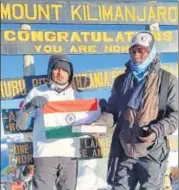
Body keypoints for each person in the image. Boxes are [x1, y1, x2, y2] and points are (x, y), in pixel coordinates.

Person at [16, 54, 113, 190]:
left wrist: (100, 111)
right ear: (50, 71)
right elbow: (21, 125)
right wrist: (28, 107)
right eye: (56, 69)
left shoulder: (76, 96)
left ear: (70, 74)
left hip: (70, 155)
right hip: (45, 154)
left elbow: (87, 124)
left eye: (65, 70)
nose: (60, 73)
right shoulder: (37, 92)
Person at [106, 31, 178, 190]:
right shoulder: (121, 81)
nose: (136, 55)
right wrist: (100, 124)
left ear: (151, 52)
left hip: (152, 154)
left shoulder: (168, 80)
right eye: (133, 51)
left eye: (141, 51)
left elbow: (175, 116)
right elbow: (111, 112)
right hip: (124, 152)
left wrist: (156, 130)